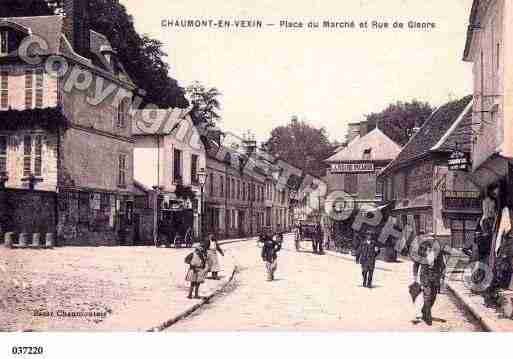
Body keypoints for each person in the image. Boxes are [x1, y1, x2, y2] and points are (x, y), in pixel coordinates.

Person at [412, 239, 446, 325]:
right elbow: (416, 264)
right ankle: (428, 316)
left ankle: (424, 310)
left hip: (435, 277)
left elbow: (442, 265)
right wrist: (415, 277)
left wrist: (442, 277)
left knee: (433, 297)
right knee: (427, 296)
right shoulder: (422, 251)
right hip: (425, 276)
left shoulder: (439, 253)